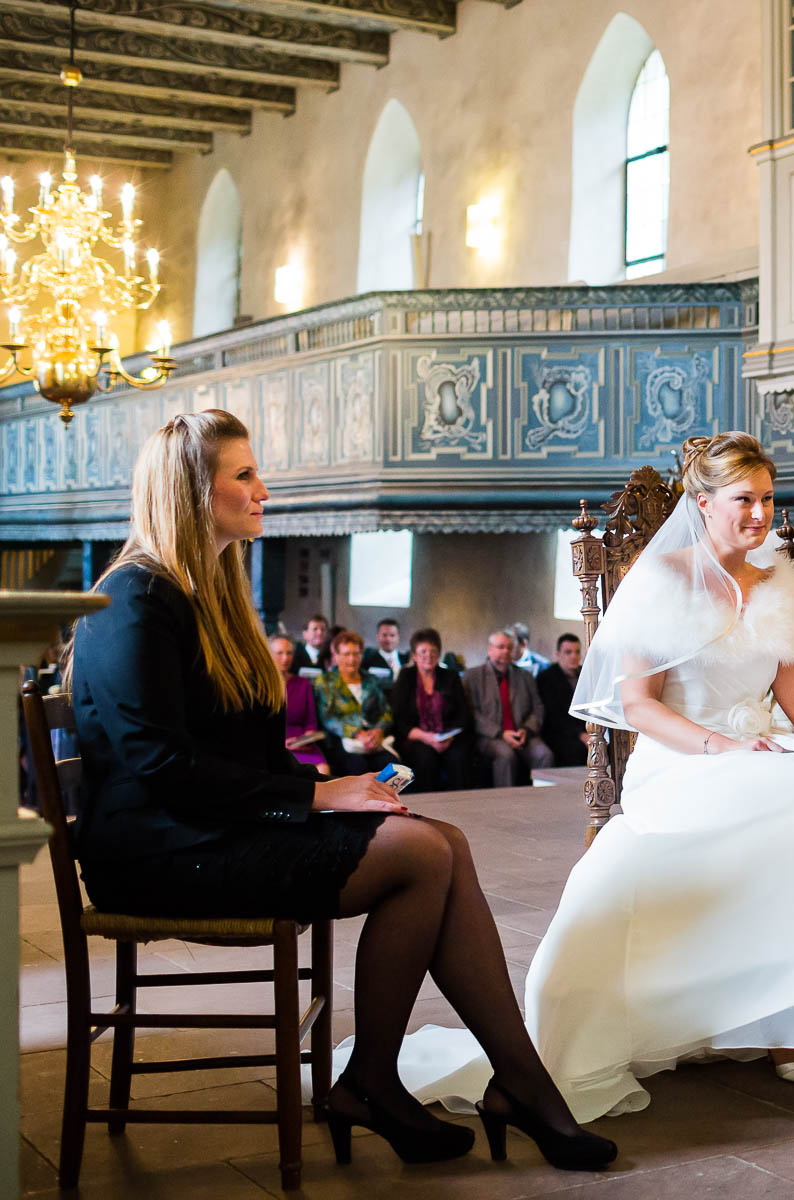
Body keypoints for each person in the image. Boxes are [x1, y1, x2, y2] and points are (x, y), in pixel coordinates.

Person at [383, 432, 794, 1117]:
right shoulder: (663, 579)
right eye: (742, 501)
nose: (759, 515)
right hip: (682, 757)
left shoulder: (779, 582)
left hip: (765, 747)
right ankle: (784, 1028)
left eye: (765, 499)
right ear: (702, 503)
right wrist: (720, 751)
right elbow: (638, 706)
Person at [67, 409, 615, 1172]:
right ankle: (407, 1084)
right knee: (424, 851)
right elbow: (158, 764)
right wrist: (321, 799)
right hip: (161, 848)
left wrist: (340, 785)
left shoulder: (209, 596)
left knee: (442, 842)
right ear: (195, 491)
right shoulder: (135, 599)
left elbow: (244, 755)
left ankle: (486, 1085)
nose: (264, 489)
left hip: (213, 828)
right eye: (245, 475)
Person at [463, 631, 554, 787]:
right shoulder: (472, 676)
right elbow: (472, 713)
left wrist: (527, 729)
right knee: (506, 755)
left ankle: (543, 802)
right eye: (501, 647)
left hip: (523, 734)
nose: (506, 651)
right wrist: (501, 733)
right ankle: (506, 804)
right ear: (490, 649)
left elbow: (538, 708)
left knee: (544, 754)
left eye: (509, 648)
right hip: (490, 737)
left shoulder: (526, 676)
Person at [391, 628, 474, 793]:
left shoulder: (450, 676)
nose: (428, 656)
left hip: (449, 737)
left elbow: (463, 714)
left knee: (458, 758)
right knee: (425, 758)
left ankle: (461, 806)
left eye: (433, 651)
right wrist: (427, 738)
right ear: (414, 655)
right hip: (417, 738)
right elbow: (399, 719)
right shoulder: (406, 676)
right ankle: (428, 809)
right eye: (423, 652)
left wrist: (448, 738)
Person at [314, 631, 400, 778]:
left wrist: (378, 731)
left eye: (356, 654)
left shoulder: (370, 679)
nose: (352, 659)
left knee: (390, 764)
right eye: (346, 654)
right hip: (341, 741)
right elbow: (328, 718)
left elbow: (385, 711)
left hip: (374, 739)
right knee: (357, 765)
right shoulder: (326, 681)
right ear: (336, 655)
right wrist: (357, 733)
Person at [268, 634, 328, 776]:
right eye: (280, 653)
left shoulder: (302, 683)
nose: (285, 658)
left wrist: (306, 740)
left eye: (289, 653)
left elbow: (310, 722)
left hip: (301, 744)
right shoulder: (262, 684)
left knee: (323, 771)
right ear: (269, 654)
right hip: (273, 742)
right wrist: (281, 743)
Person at [536, 633, 589, 767]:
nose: (573, 656)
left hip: (587, 730)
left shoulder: (586, 674)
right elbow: (553, 715)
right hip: (559, 733)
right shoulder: (546, 678)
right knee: (575, 750)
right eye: (568, 652)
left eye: (577, 652)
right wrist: (580, 734)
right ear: (558, 654)